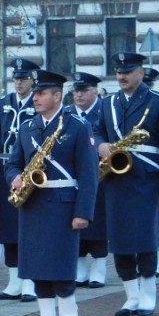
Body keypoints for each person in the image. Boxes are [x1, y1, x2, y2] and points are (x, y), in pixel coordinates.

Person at [6, 70, 98, 316]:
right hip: (32, 204)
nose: (35, 98)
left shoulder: (77, 126)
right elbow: (12, 163)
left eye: (41, 93)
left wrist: (83, 212)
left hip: (62, 204)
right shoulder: (27, 126)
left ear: (57, 96)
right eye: (35, 93)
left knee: (60, 265)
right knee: (36, 265)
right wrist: (15, 178)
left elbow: (89, 174)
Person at [93, 52, 159, 316]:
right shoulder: (107, 102)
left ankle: (148, 295)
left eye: (128, 71)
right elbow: (97, 131)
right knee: (118, 239)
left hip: (145, 179)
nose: (122, 76)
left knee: (144, 238)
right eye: (119, 71)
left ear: (141, 73)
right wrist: (101, 144)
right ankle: (131, 296)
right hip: (116, 180)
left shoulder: (156, 101)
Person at [0, 58, 40, 302]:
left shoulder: (38, 102)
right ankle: (13, 281)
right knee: (8, 226)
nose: (19, 83)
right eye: (16, 78)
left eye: (24, 78)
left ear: (32, 80)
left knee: (27, 226)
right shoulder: (4, 103)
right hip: (5, 167)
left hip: (30, 168)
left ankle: (30, 281)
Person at [69, 71, 108, 288]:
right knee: (75, 219)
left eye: (83, 91)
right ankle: (80, 268)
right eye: (76, 91)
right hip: (73, 175)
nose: (79, 95)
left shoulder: (103, 113)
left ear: (94, 91)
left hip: (99, 176)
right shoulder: (67, 113)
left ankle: (99, 267)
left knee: (98, 221)